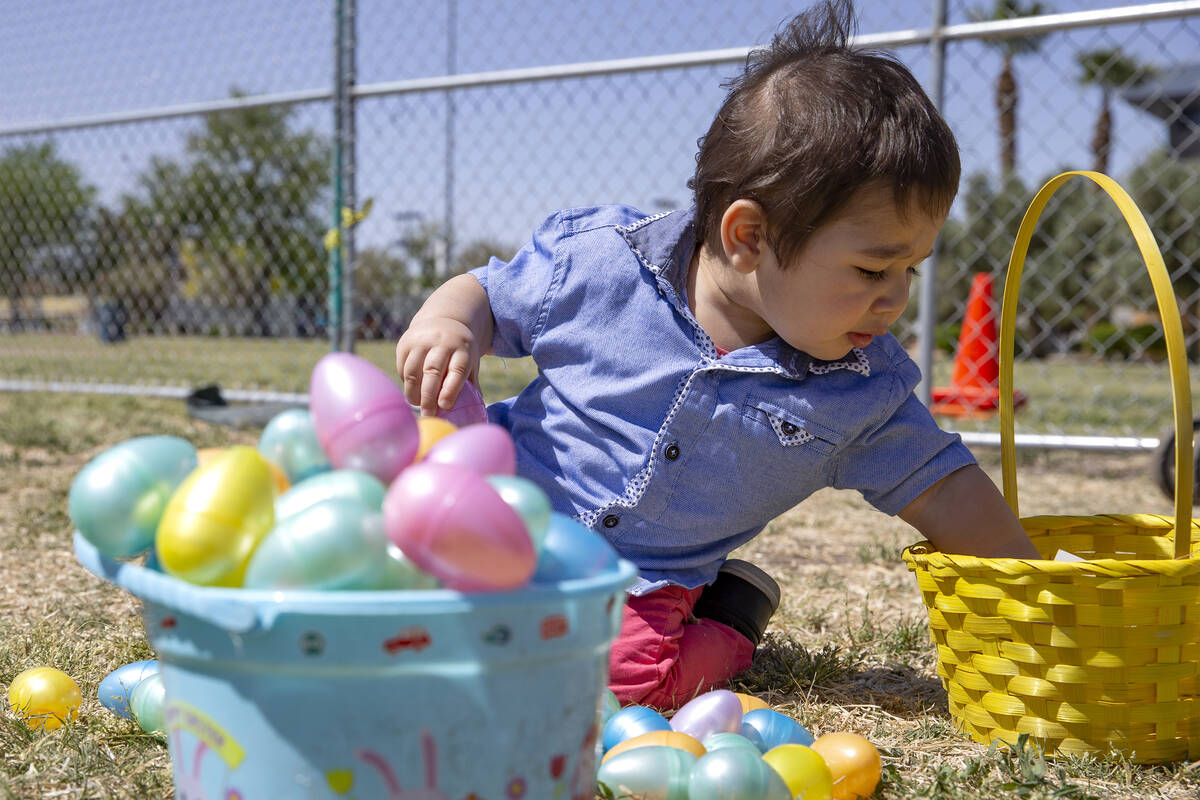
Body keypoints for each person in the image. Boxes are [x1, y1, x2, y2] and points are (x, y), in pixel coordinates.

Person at [395, 0, 1041, 710]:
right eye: (871, 270)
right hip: (500, 511)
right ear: (749, 237)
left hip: (640, 579)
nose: (894, 300)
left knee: (622, 685)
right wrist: (450, 318)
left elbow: (945, 487)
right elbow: (488, 292)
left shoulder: (860, 390)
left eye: (909, 270)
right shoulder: (602, 268)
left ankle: (731, 614)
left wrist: (1036, 590)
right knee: (392, 583)